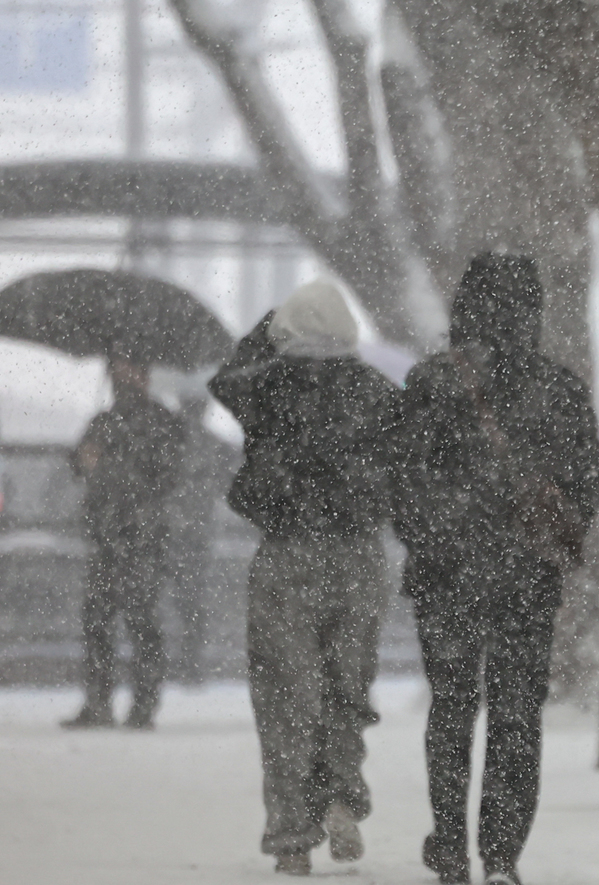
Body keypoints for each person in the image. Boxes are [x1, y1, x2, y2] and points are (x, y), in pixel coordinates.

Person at [394, 254, 599, 885]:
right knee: (517, 714)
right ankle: (503, 854)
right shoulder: (560, 388)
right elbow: (589, 484)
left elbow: (402, 481)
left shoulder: (433, 382)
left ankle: (452, 845)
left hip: (447, 578)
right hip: (528, 580)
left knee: (453, 708)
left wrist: (440, 535)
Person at [210, 280, 398, 876]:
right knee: (347, 688)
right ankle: (341, 795)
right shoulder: (378, 392)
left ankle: (292, 835)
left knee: (285, 697)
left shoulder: (266, 386)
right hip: (360, 557)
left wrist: (270, 329)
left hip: (288, 553)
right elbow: (407, 465)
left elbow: (225, 376)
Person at [62, 356, 184, 731]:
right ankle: (98, 701)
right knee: (98, 622)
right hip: (105, 536)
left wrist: (120, 470)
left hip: (141, 538)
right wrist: (84, 460)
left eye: (129, 368)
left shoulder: (161, 421)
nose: (121, 377)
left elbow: (168, 474)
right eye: (117, 369)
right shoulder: (103, 420)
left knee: (141, 620)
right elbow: (78, 465)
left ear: (145, 374)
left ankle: (143, 704)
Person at [164, 395, 238, 683]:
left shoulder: (171, 440)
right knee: (191, 599)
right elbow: (229, 478)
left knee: (170, 598)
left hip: (173, 527)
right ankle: (191, 660)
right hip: (197, 527)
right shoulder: (214, 444)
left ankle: (180, 660)